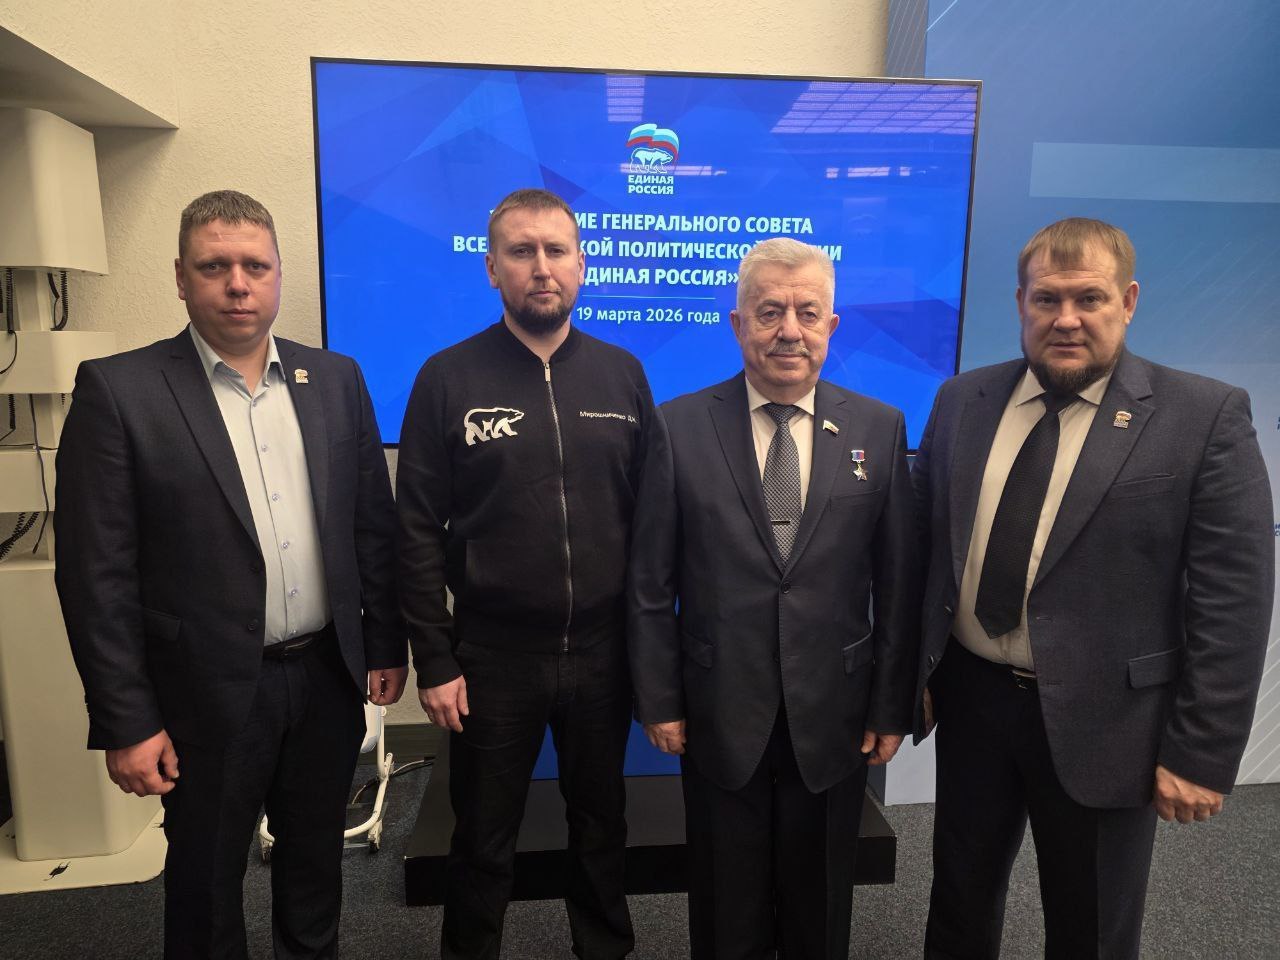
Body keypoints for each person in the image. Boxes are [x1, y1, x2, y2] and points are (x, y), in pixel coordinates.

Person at [54, 190, 407, 960]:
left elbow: (370, 529)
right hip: (201, 693)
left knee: (315, 870)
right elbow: (94, 577)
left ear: (278, 275)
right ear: (181, 278)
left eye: (255, 266)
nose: (237, 284)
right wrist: (126, 719)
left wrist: (384, 646)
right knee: (205, 884)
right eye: (215, 267)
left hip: (325, 678)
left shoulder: (335, 379)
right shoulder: (120, 391)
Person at [913, 217, 1274, 959]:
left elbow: (1233, 602)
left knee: (1092, 926)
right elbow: (924, 550)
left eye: (1090, 298)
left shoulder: (1203, 417)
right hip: (973, 702)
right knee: (958, 902)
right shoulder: (962, 401)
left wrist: (1202, 751)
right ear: (1020, 303)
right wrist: (907, 675)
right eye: (1047, 299)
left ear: (1128, 301)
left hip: (1110, 721)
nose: (1067, 319)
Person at [627, 238, 919, 959]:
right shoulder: (677, 425)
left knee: (821, 906)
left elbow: (898, 584)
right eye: (770, 312)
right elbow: (649, 583)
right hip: (719, 709)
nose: (790, 330)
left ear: (831, 326)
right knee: (726, 907)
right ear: (738, 324)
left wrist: (892, 706)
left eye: (807, 313)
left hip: (836, 713)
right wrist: (659, 699)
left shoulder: (879, 428)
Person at [397, 188, 654, 960]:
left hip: (603, 655)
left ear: (582, 264)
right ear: (492, 268)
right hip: (491, 659)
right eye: (521, 251)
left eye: (556, 250)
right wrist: (434, 658)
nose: (541, 267)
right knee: (482, 839)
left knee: (602, 827)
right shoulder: (447, 378)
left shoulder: (622, 375)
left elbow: (652, 523)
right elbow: (415, 530)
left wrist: (652, 652)